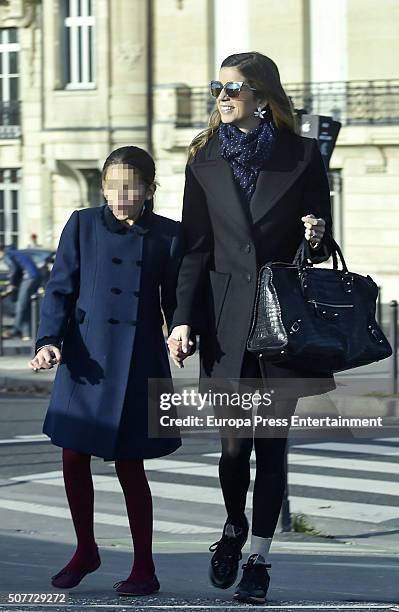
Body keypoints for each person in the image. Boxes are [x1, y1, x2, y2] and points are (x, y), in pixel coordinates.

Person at [167, 52, 335, 605]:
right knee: (234, 447)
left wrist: (313, 233)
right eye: (218, 85)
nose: (223, 94)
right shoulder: (203, 159)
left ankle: (259, 556)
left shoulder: (303, 156)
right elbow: (195, 248)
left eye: (234, 87)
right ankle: (234, 526)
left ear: (262, 96)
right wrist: (183, 318)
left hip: (281, 321)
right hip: (224, 321)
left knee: (272, 444)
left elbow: (319, 238)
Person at [29, 146, 183, 596]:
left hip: (137, 360)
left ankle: (144, 567)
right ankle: (85, 550)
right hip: (85, 357)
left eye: (130, 187)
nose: (120, 196)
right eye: (111, 187)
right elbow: (60, 289)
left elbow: (175, 300)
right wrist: (48, 341)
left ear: (150, 189)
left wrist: (180, 331)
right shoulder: (82, 224)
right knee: (73, 456)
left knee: (130, 466)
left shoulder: (168, 236)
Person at [0, 245, 41, 340]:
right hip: (35, 276)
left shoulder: (7, 254)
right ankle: (27, 333)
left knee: (21, 305)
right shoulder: (14, 252)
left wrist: (12, 285)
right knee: (27, 306)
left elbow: (14, 270)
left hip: (29, 277)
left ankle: (14, 330)